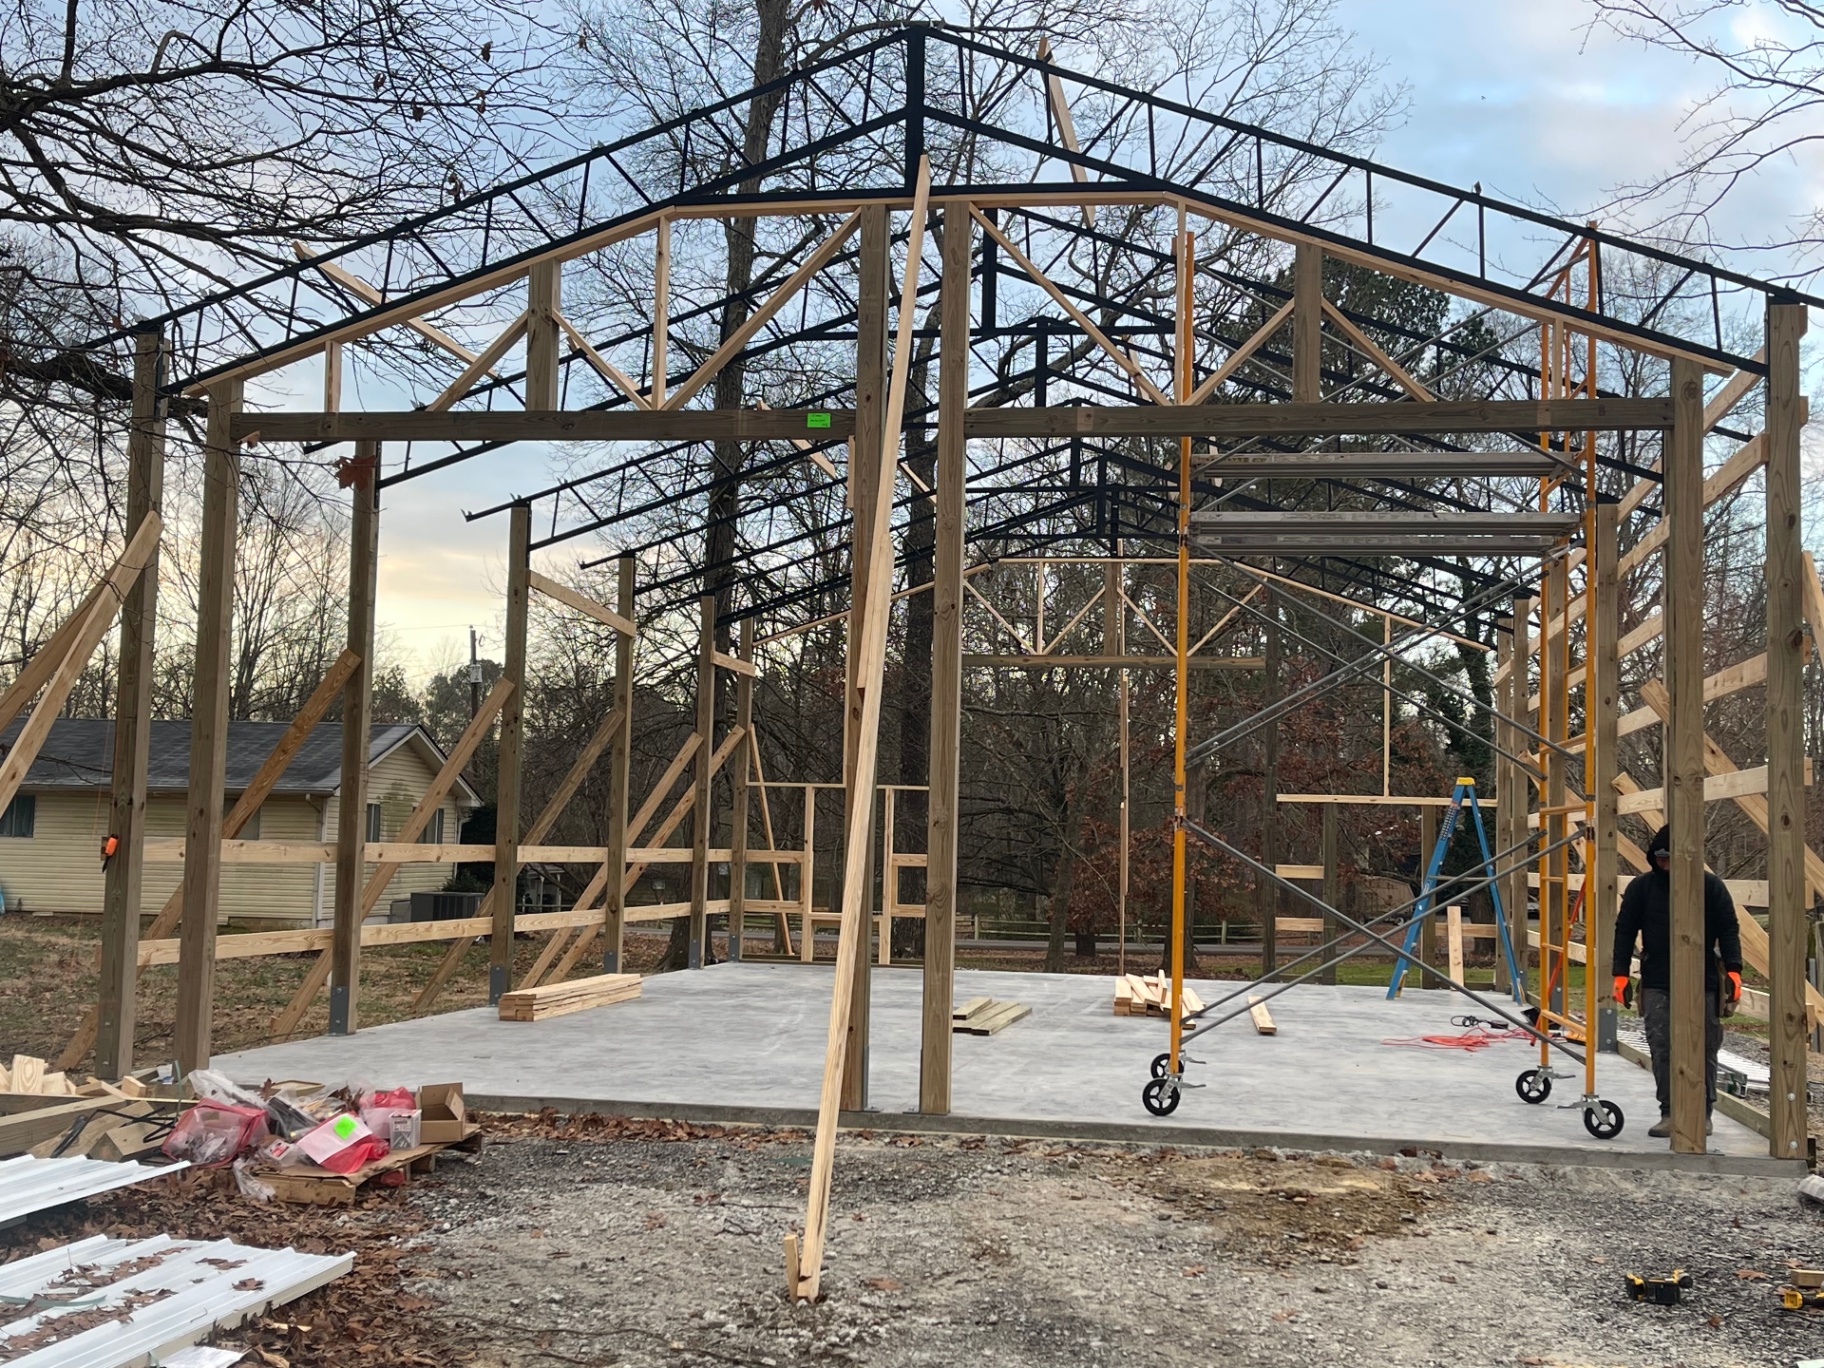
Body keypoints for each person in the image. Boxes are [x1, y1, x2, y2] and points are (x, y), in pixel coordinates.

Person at [1610, 823, 1744, 1139]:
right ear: (1654, 857)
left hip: (1703, 979)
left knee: (1705, 1046)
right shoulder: (1641, 889)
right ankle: (1670, 1112)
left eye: (1673, 858)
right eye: (1661, 858)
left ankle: (1702, 1113)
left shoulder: (1710, 888)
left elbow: (1728, 928)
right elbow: (1625, 930)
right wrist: (1619, 973)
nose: (1667, 864)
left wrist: (1734, 970)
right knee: (1662, 1046)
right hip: (1657, 978)